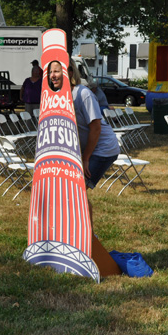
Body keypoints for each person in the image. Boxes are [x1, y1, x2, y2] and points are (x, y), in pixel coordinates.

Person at [68, 59, 119, 227]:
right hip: (85, 150)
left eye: (58, 70)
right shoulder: (57, 97)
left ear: (69, 72)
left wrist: (85, 158)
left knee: (77, 192)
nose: (53, 75)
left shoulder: (83, 93)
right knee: (71, 191)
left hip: (102, 149)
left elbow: (96, 128)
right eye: (50, 71)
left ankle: (88, 238)